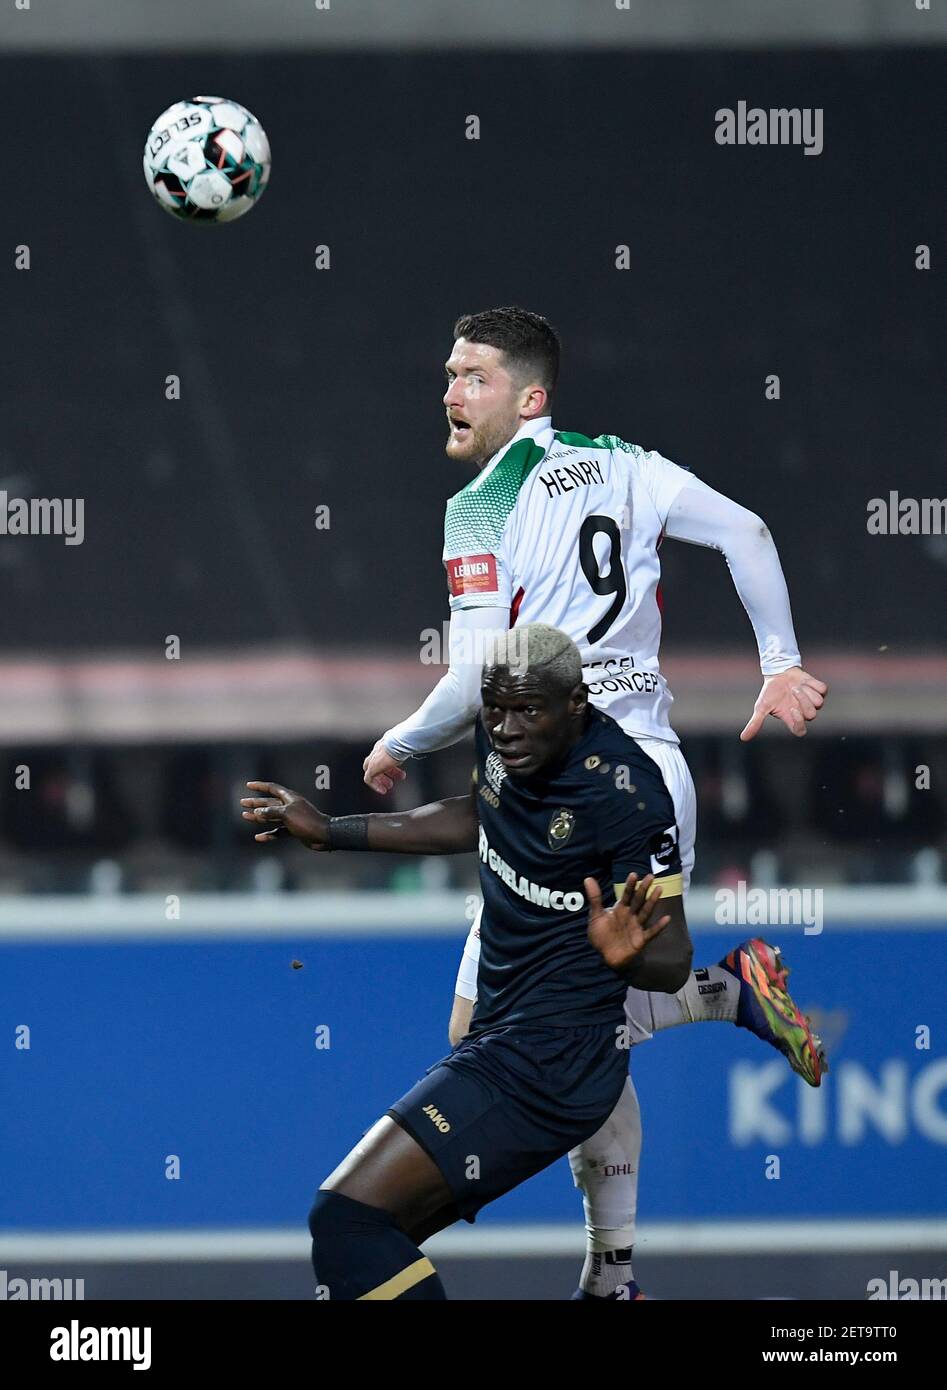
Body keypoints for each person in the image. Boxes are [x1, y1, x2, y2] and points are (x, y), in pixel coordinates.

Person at [360, 306, 827, 1298]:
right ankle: (719, 1002)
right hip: (649, 766)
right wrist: (777, 664)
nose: (449, 389)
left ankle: (612, 1270)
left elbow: (480, 669)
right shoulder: (625, 461)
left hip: (572, 785)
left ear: (528, 396)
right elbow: (745, 529)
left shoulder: (481, 505)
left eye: (472, 376)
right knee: (498, 1028)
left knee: (550, 1029)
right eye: (446, 371)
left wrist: (401, 741)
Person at [241, 625, 690, 1299]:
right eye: (494, 709)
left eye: (527, 711)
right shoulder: (506, 737)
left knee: (346, 1220)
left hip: (549, 1063)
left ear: (575, 704)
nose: (506, 729)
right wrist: (333, 832)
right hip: (502, 1041)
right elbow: (479, 815)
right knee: (375, 1248)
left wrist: (630, 957)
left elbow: (672, 957)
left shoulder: (626, 793)